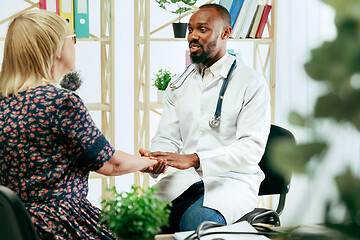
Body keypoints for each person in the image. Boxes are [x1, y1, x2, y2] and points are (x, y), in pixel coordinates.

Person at [0, 10, 162, 239]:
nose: (74, 46)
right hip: (59, 225)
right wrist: (149, 161)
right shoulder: (60, 103)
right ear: (56, 49)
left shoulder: (4, 103)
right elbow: (110, 164)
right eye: (71, 39)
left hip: (13, 225)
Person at [140, 3, 271, 233]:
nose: (192, 36)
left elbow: (251, 148)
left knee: (196, 225)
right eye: (190, 30)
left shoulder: (251, 83)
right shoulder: (178, 84)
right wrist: (156, 160)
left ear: (225, 33)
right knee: (137, 219)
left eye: (202, 29)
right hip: (186, 179)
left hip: (232, 182)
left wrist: (195, 159)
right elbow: (166, 138)